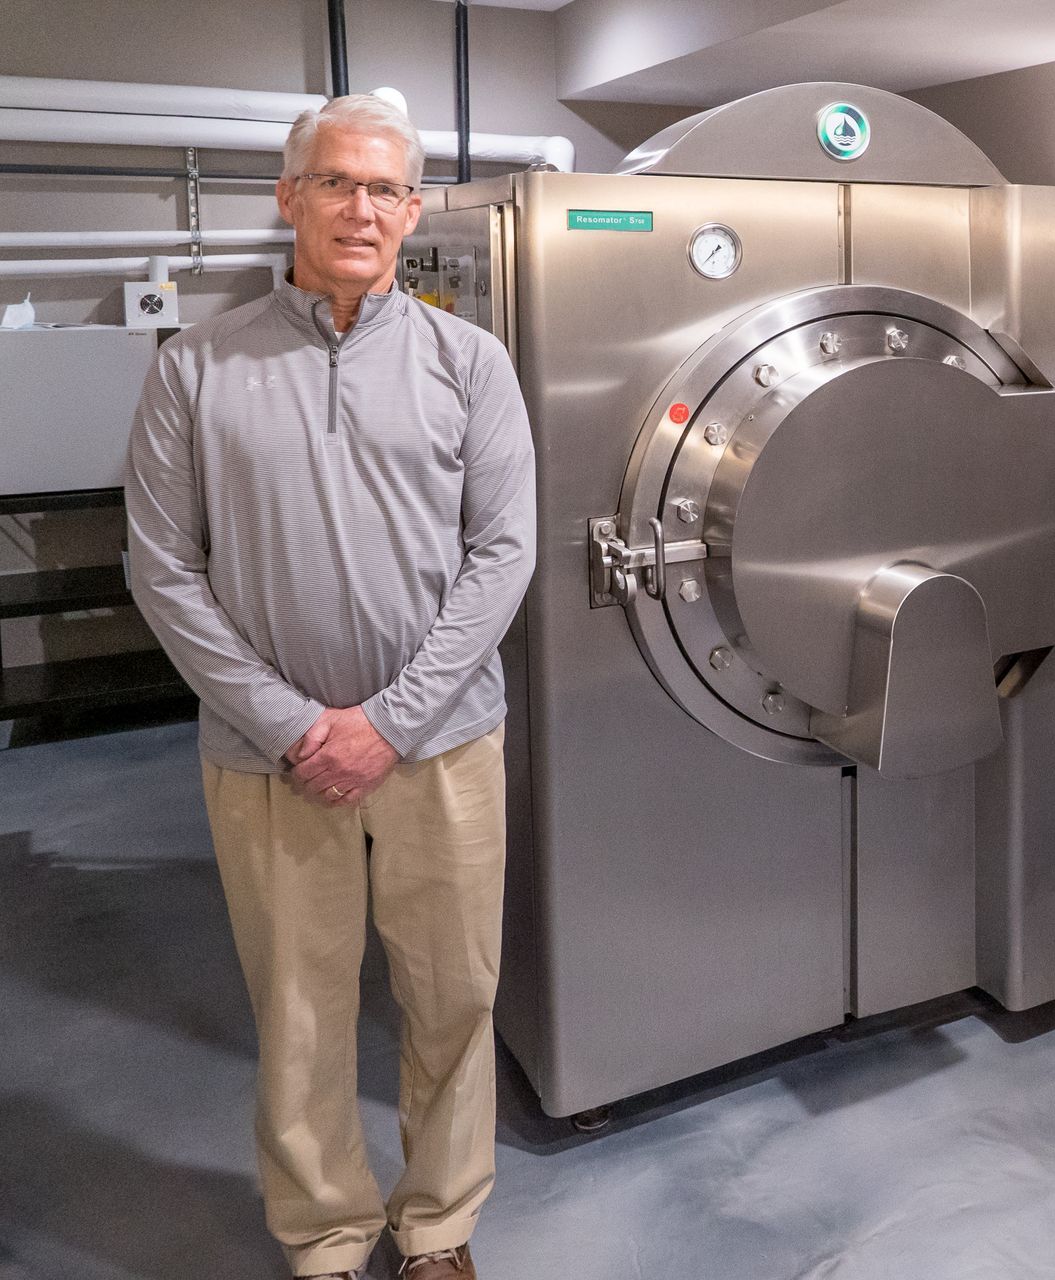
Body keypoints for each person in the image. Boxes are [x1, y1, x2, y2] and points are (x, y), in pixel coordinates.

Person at [125, 95, 535, 1280]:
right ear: (288, 196)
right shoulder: (196, 366)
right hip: (271, 759)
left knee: (454, 995)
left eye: (387, 190)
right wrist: (296, 722)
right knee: (299, 1006)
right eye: (338, 183)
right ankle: (325, 1229)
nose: (364, 209)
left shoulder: (471, 362)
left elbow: (502, 553)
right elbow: (161, 568)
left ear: (414, 211)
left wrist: (392, 721)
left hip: (445, 742)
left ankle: (440, 1223)